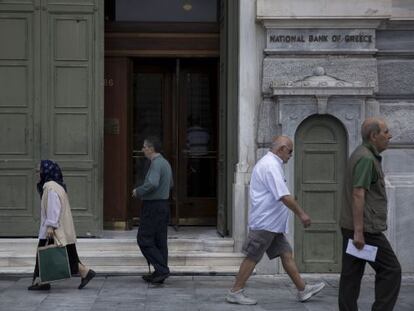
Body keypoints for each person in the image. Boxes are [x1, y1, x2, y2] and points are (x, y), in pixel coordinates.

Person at [226, 135, 325, 305]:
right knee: (252, 257)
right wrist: (302, 214)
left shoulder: (271, 164)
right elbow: (284, 196)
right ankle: (235, 291)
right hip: (265, 223)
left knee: (286, 254)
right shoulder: (271, 165)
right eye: (290, 151)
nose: (291, 155)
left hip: (272, 224)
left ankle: (302, 290)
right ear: (281, 149)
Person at [339, 117, 401, 311]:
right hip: (366, 229)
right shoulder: (366, 158)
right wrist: (359, 232)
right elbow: (358, 193)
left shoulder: (361, 154)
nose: (389, 136)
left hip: (352, 226)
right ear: (373, 136)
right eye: (385, 132)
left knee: (351, 274)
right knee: (391, 270)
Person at [28, 160, 96, 290]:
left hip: (55, 230)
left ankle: (42, 282)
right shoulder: (57, 185)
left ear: (45, 172)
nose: (37, 174)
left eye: (39, 171)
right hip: (63, 230)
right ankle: (85, 273)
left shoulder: (50, 187)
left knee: (46, 255)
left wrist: (50, 226)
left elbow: (54, 207)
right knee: (68, 256)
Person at [132, 137, 173, 284]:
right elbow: (171, 183)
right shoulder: (165, 163)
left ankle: (161, 269)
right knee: (160, 240)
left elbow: (152, 183)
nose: (143, 150)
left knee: (144, 239)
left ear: (151, 148)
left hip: (153, 206)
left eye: (144, 147)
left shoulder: (156, 164)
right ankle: (159, 272)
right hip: (163, 205)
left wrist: (139, 191)